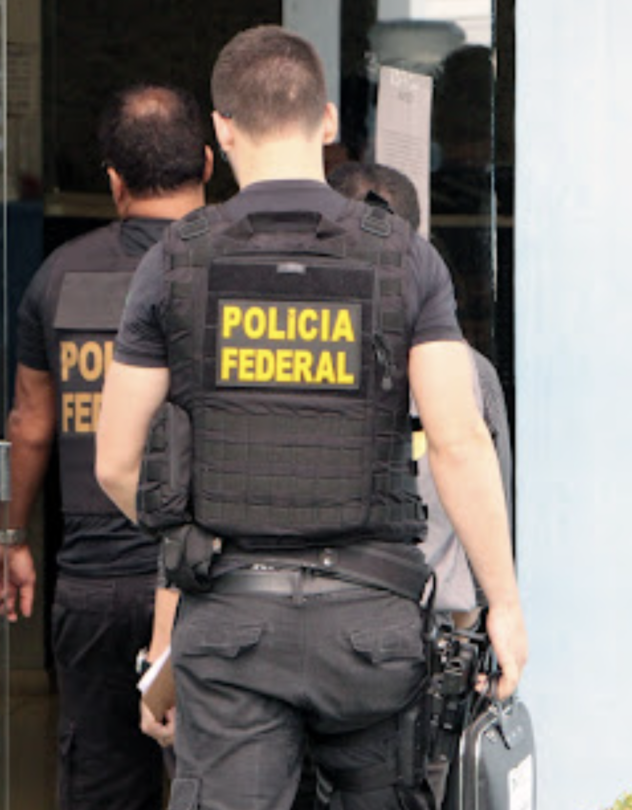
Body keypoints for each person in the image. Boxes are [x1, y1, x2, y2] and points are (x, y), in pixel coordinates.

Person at [95, 25, 527, 810]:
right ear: (327, 120)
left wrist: (197, 544)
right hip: (371, 628)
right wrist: (504, 604)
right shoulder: (405, 258)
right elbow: (459, 442)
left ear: (222, 130)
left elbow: (117, 463)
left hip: (232, 626)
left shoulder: (175, 259)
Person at [0, 83, 212, 810]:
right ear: (208, 162)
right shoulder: (235, 268)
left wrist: (9, 536)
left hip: (96, 584)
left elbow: (30, 424)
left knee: (103, 787)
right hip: (214, 579)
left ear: (113, 180)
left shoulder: (61, 275)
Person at [328, 161, 514, 626]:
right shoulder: (469, 372)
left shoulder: (288, 346)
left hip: (306, 614)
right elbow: (486, 520)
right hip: (422, 625)